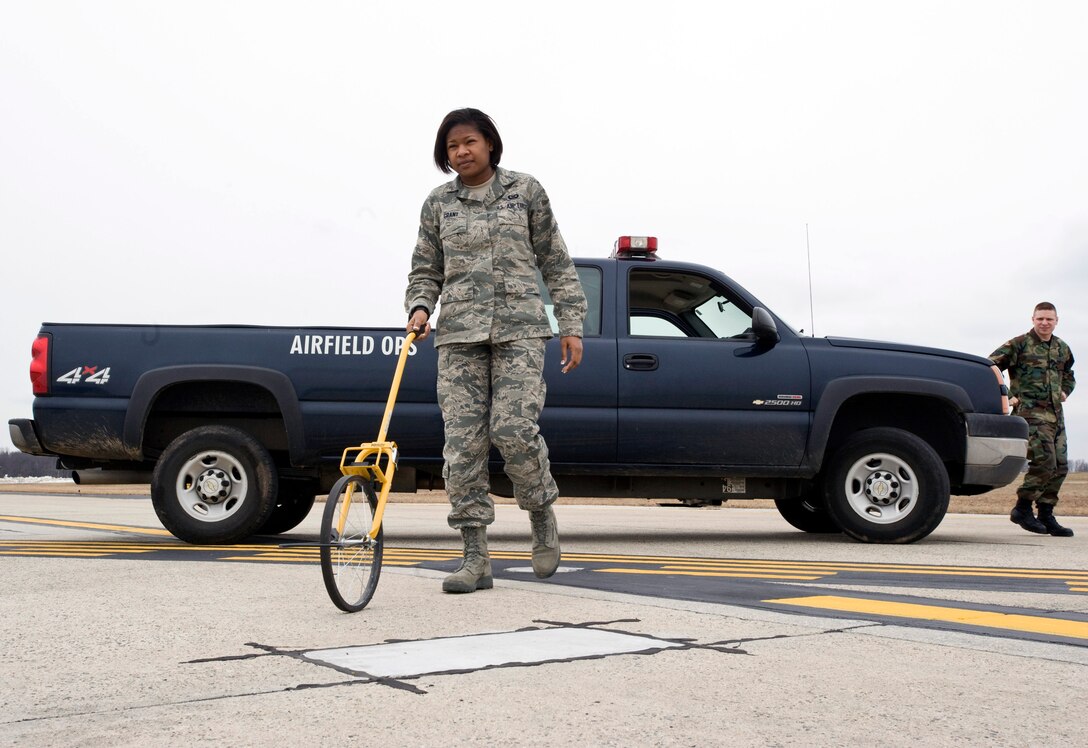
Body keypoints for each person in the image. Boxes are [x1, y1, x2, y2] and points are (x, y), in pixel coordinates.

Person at [404, 108, 588, 593]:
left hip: (520, 331)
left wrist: (571, 324)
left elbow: (556, 260)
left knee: (513, 428)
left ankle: (541, 515)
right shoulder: (438, 204)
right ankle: (473, 556)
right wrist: (421, 307)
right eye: (450, 148)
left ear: (489, 143)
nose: (460, 153)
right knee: (462, 446)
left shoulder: (525, 191)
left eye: (468, 142)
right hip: (459, 336)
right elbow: (426, 268)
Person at [989, 302, 1076, 536]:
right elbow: (990, 366)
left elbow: (1069, 374)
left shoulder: (1062, 348)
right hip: (1030, 414)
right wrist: (1008, 396)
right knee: (1045, 462)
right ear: (1033, 319)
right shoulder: (1018, 344)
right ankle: (1023, 508)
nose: (1044, 323)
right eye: (1040, 319)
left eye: (1049, 319)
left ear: (1057, 320)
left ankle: (1046, 514)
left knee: (1060, 466)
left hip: (1056, 415)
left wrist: (1066, 390)